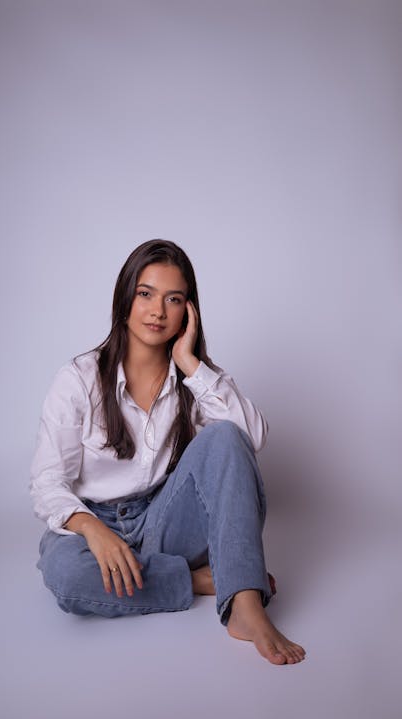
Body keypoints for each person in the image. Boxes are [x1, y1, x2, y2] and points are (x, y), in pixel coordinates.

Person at [30, 239, 306, 665]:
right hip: (94, 522)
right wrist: (92, 529)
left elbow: (252, 437)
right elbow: (48, 481)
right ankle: (198, 580)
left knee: (226, 436)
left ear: (188, 312)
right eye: (146, 294)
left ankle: (245, 604)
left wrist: (192, 365)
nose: (158, 311)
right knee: (67, 577)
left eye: (173, 299)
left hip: (163, 519)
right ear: (126, 298)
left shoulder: (194, 381)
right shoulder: (79, 379)